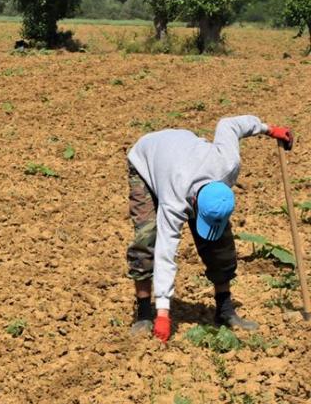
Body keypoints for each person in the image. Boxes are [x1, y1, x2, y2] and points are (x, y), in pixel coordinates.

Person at [125, 115, 294, 343]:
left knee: (220, 244)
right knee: (147, 239)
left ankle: (225, 309)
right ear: (194, 203)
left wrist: (268, 129)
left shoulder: (228, 164)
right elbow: (166, 252)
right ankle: (145, 312)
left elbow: (230, 124)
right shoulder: (174, 198)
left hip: (184, 152)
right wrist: (163, 312)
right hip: (147, 160)